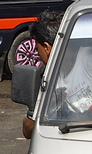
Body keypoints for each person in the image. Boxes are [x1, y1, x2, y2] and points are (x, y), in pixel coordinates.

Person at [22, 8, 64, 139]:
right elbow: (27, 130)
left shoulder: (90, 58)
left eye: (37, 48)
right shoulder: (50, 75)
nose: (37, 54)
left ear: (46, 48)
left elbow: (28, 129)